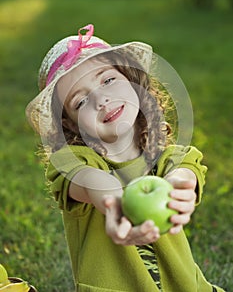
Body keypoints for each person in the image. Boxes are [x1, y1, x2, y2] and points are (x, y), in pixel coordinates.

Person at [26, 24, 225, 292]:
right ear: (70, 125)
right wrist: (116, 203)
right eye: (80, 101)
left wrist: (180, 186)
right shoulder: (72, 163)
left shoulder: (168, 157)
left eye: (108, 80)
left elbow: (184, 171)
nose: (101, 99)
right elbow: (92, 182)